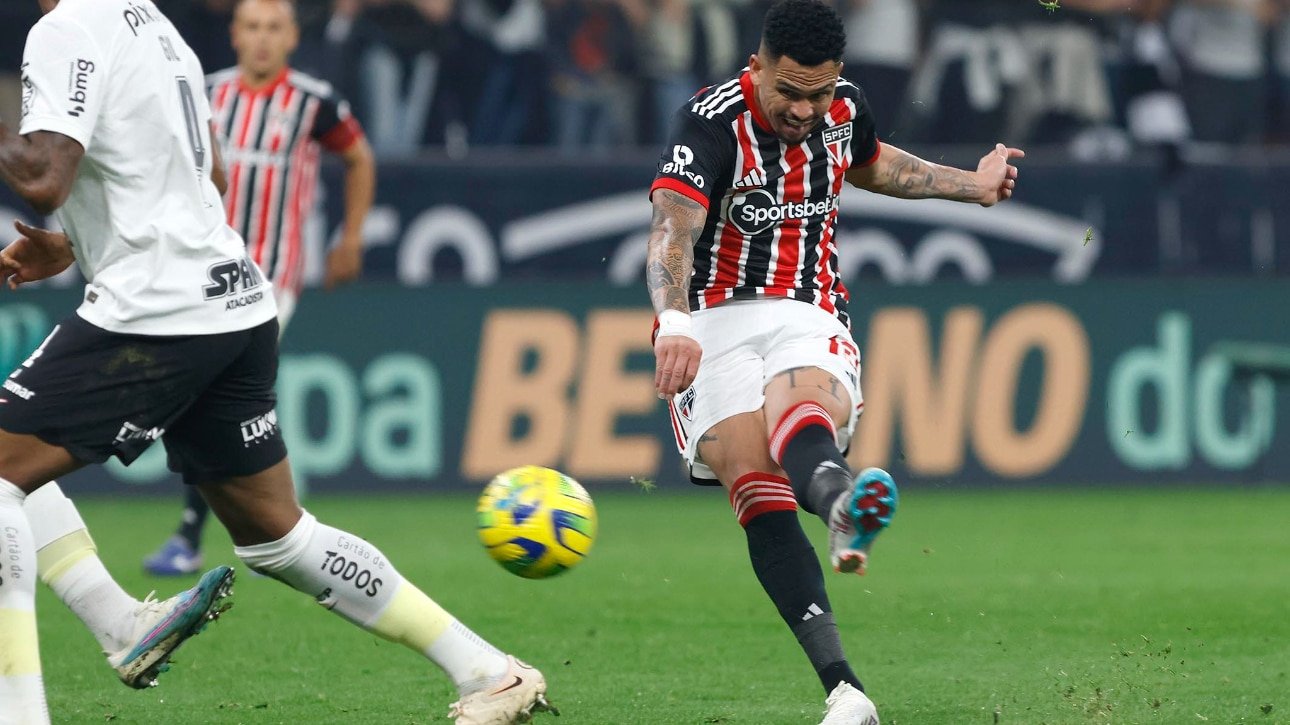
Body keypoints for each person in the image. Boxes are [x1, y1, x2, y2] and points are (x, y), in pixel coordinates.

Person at [0, 2, 553, 724]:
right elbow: (206, 177)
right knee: (279, 536)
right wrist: (76, 241)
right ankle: (487, 669)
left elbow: (42, 176)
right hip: (233, 298)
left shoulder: (66, 29)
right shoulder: (158, 29)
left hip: (158, 310)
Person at [646, 1, 1023, 723]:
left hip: (806, 305)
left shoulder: (844, 110)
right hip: (714, 318)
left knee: (799, 401)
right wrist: (673, 321)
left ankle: (843, 504)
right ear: (755, 68)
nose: (802, 110)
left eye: (817, 94)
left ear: (838, 79)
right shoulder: (710, 121)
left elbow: (877, 165)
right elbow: (673, 226)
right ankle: (847, 692)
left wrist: (972, 186)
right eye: (788, 92)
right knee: (754, 482)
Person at [142, 0, 376, 578]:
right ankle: (261, 523)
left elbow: (359, 158)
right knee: (207, 396)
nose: (263, 39)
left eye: (274, 28)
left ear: (292, 37)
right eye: (253, 27)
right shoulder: (203, 92)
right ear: (235, 34)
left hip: (271, 276)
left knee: (219, 390)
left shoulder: (312, 101)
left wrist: (351, 238)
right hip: (200, 271)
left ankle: (200, 532)